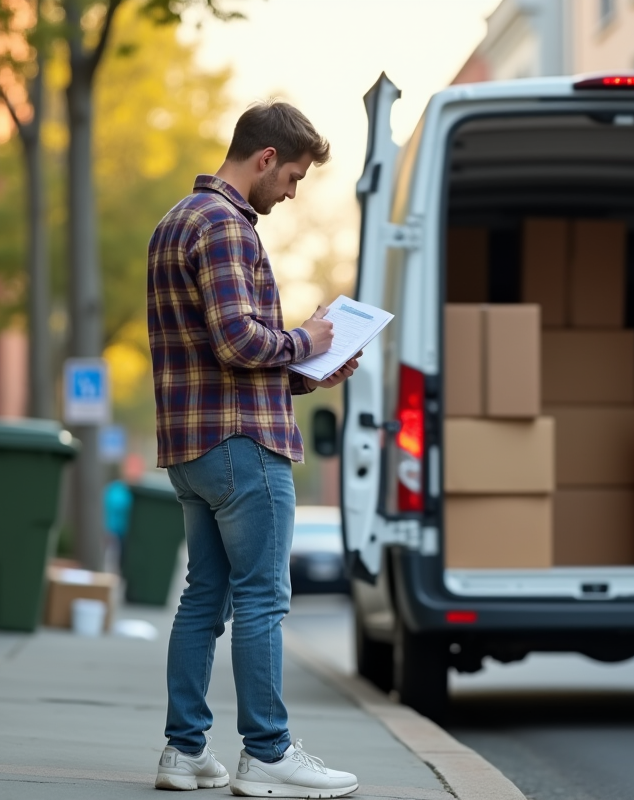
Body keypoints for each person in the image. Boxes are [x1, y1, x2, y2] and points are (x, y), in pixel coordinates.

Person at [147, 100, 359, 795]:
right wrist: (307, 339)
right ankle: (268, 753)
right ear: (266, 158)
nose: (292, 192)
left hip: (192, 448)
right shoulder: (225, 225)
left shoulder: (175, 221)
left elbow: (217, 358)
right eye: (293, 176)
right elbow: (239, 341)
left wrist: (310, 369)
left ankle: (184, 752)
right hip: (243, 447)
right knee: (263, 599)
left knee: (203, 598)